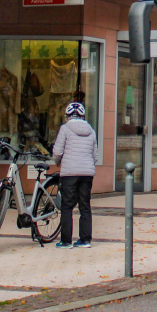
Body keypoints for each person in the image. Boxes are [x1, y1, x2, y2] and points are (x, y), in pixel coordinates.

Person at [52, 101, 97, 249]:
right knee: (85, 206)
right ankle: (85, 240)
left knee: (67, 206)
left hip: (69, 173)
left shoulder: (65, 129)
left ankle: (66, 241)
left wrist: (58, 162)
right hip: (87, 173)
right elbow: (95, 155)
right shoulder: (91, 130)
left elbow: (57, 151)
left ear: (67, 115)